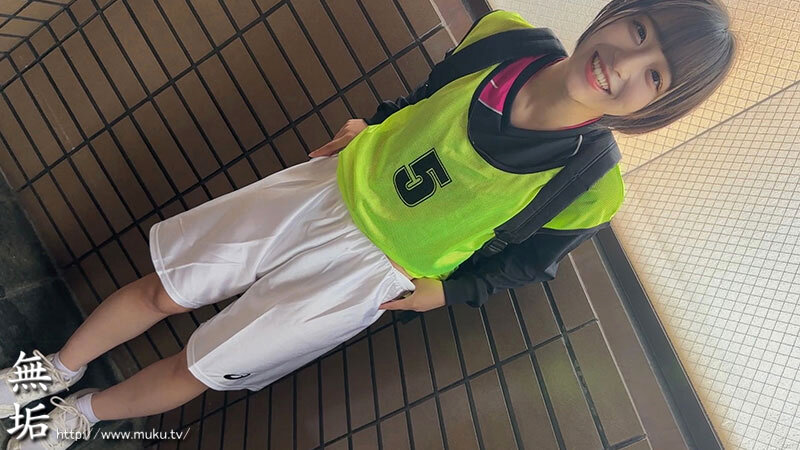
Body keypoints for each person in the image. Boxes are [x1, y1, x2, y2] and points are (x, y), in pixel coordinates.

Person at [1, 1, 736, 448]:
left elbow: (526, 264)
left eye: (655, 75)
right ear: (615, 13)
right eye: (638, 29)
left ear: (657, 108)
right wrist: (373, 124)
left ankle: (80, 416)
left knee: (204, 366)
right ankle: (50, 371)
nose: (625, 62)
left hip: (369, 276)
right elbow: (426, 98)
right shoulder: (504, 36)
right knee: (165, 291)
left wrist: (446, 293)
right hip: (323, 191)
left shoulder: (594, 182)